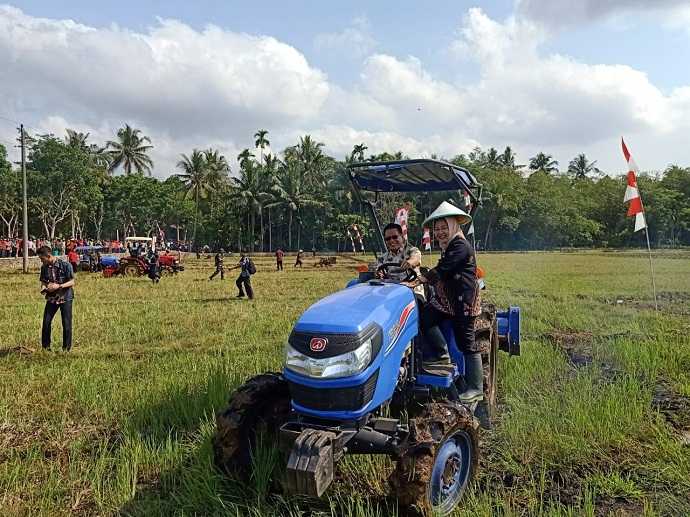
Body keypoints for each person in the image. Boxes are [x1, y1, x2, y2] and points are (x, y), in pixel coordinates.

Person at [404, 201, 483, 403]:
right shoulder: (449, 246)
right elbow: (442, 266)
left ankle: (476, 387)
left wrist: (422, 279)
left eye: (443, 228)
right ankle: (441, 354)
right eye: (437, 229)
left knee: (467, 343)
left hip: (463, 301)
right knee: (425, 318)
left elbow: (445, 268)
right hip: (447, 300)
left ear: (453, 226)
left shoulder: (460, 245)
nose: (440, 232)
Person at [37, 246, 75, 352]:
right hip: (52, 298)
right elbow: (43, 282)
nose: (41, 261)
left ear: (48, 256)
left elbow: (72, 282)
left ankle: (66, 349)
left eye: (42, 259)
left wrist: (59, 286)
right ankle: (46, 347)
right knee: (46, 322)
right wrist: (44, 288)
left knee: (66, 323)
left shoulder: (66, 265)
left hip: (65, 297)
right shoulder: (44, 268)